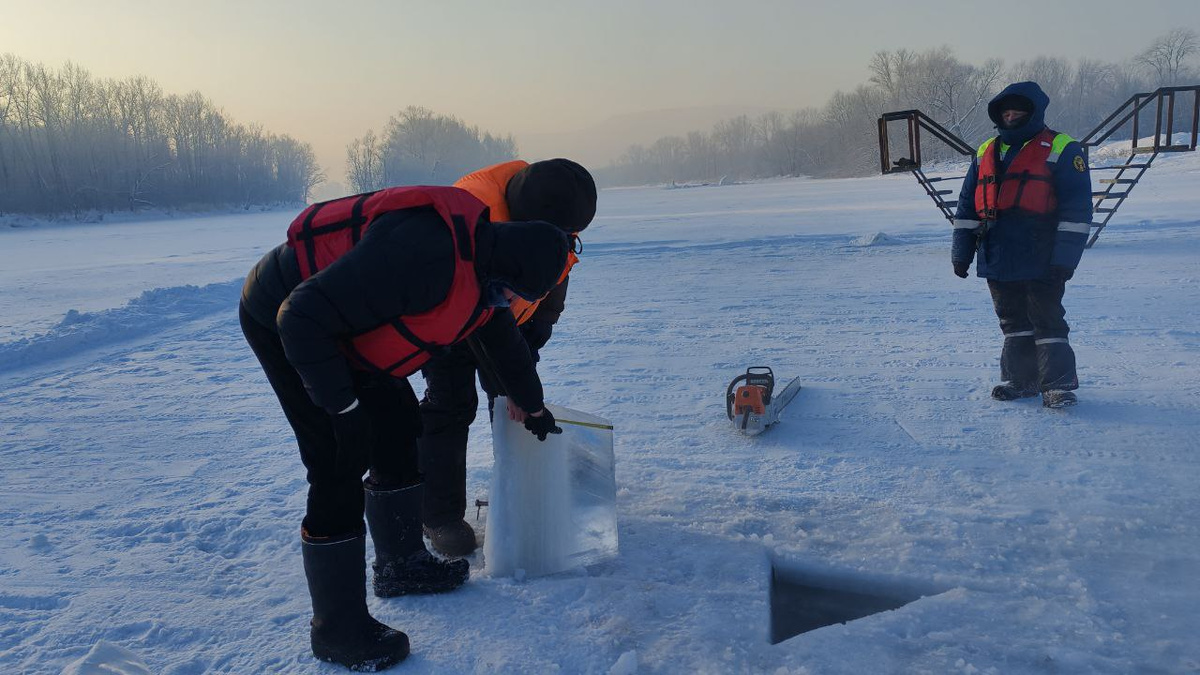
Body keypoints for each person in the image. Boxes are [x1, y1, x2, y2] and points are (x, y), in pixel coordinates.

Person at [238, 185, 568, 671]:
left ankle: (401, 566)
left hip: (343, 321)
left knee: (397, 422)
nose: (511, 301)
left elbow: (502, 340)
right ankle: (338, 631)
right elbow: (300, 317)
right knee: (336, 459)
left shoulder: (486, 266)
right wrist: (344, 411)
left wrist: (533, 406)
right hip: (284, 314)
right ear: (505, 270)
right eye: (515, 292)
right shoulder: (425, 258)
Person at [417, 158, 596, 557]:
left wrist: (539, 327)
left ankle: (524, 494)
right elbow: (482, 321)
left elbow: (558, 267)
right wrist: (518, 386)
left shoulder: (552, 197)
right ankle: (438, 515)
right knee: (451, 401)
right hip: (448, 308)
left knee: (511, 400)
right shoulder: (471, 217)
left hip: (503, 314)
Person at [951, 81, 1093, 408]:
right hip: (997, 255)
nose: (1011, 114)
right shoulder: (986, 151)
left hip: (1043, 256)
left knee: (1047, 322)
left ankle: (1057, 386)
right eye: (1005, 109)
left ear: (1034, 112)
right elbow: (967, 206)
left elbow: (1077, 209)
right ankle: (1021, 381)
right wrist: (962, 252)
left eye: (1018, 109)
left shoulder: (1063, 147)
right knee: (1013, 324)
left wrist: (1065, 260)